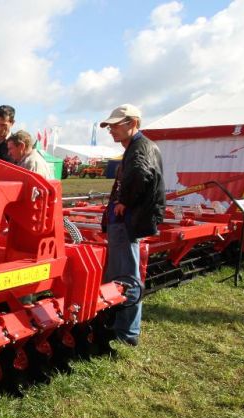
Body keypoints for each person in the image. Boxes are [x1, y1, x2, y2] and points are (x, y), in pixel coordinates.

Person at [99, 104, 165, 347]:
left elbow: (140, 174)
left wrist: (123, 202)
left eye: (116, 125)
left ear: (133, 123)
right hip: (127, 221)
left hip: (127, 222)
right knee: (121, 272)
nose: (112, 130)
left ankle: (127, 332)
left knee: (126, 275)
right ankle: (118, 324)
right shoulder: (138, 147)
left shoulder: (140, 148)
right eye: (110, 126)